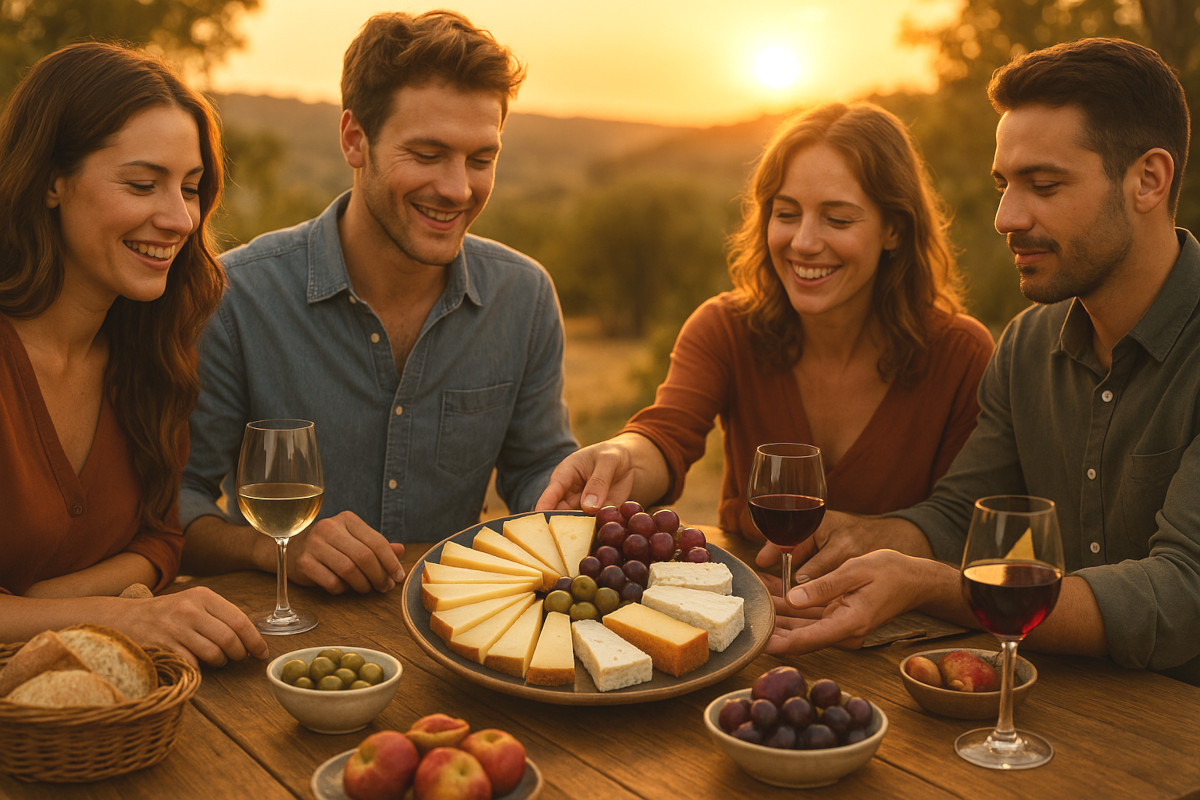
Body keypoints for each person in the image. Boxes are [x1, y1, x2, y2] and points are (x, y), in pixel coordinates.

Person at [760, 38, 1200, 686]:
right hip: (1056, 713)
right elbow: (958, 514)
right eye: (1004, 185)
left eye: (1043, 185)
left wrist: (930, 585)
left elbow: (1180, 594)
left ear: (1148, 180)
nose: (1005, 217)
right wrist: (864, 542)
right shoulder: (1025, 347)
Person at [180, 11, 577, 593]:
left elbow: (537, 472)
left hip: (452, 636)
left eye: (481, 159)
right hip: (287, 646)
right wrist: (277, 549)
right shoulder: (238, 297)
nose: (457, 188)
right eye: (426, 153)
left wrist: (577, 498)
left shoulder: (524, 296)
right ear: (354, 140)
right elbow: (176, 503)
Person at [536, 102, 994, 540]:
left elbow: (959, 521)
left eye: (836, 219)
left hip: (913, 623)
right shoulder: (725, 327)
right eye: (786, 213)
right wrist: (620, 457)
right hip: (755, 612)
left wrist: (865, 538)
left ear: (894, 228)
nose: (804, 241)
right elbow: (664, 437)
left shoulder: (961, 354)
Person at [0, 42, 268, 668]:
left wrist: (31, 602)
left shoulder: (150, 353)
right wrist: (121, 614)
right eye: (142, 184)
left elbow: (161, 537)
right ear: (50, 182)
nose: (178, 218)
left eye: (192, 189)